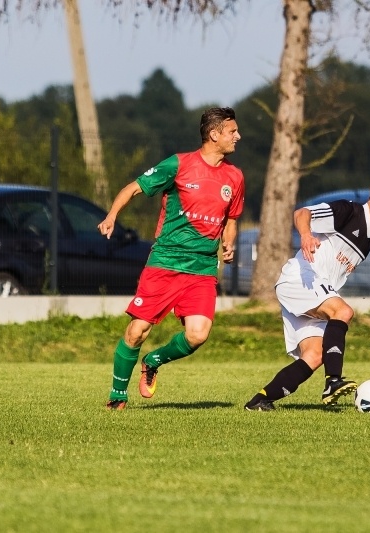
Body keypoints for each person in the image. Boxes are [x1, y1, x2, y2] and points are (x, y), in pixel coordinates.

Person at [100, 106, 244, 411]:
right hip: (165, 261)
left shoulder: (235, 176)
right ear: (214, 134)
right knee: (137, 331)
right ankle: (117, 394)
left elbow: (232, 219)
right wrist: (112, 215)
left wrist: (228, 245)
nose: (238, 136)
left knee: (197, 334)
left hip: (202, 267)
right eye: (232, 131)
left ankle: (154, 360)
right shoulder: (179, 164)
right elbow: (134, 188)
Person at [244, 174, 370, 411]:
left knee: (315, 355)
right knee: (343, 311)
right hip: (301, 278)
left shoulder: (369, 238)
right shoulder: (349, 212)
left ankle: (259, 401)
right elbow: (301, 213)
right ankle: (333, 382)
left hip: (313, 287)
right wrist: (306, 235)